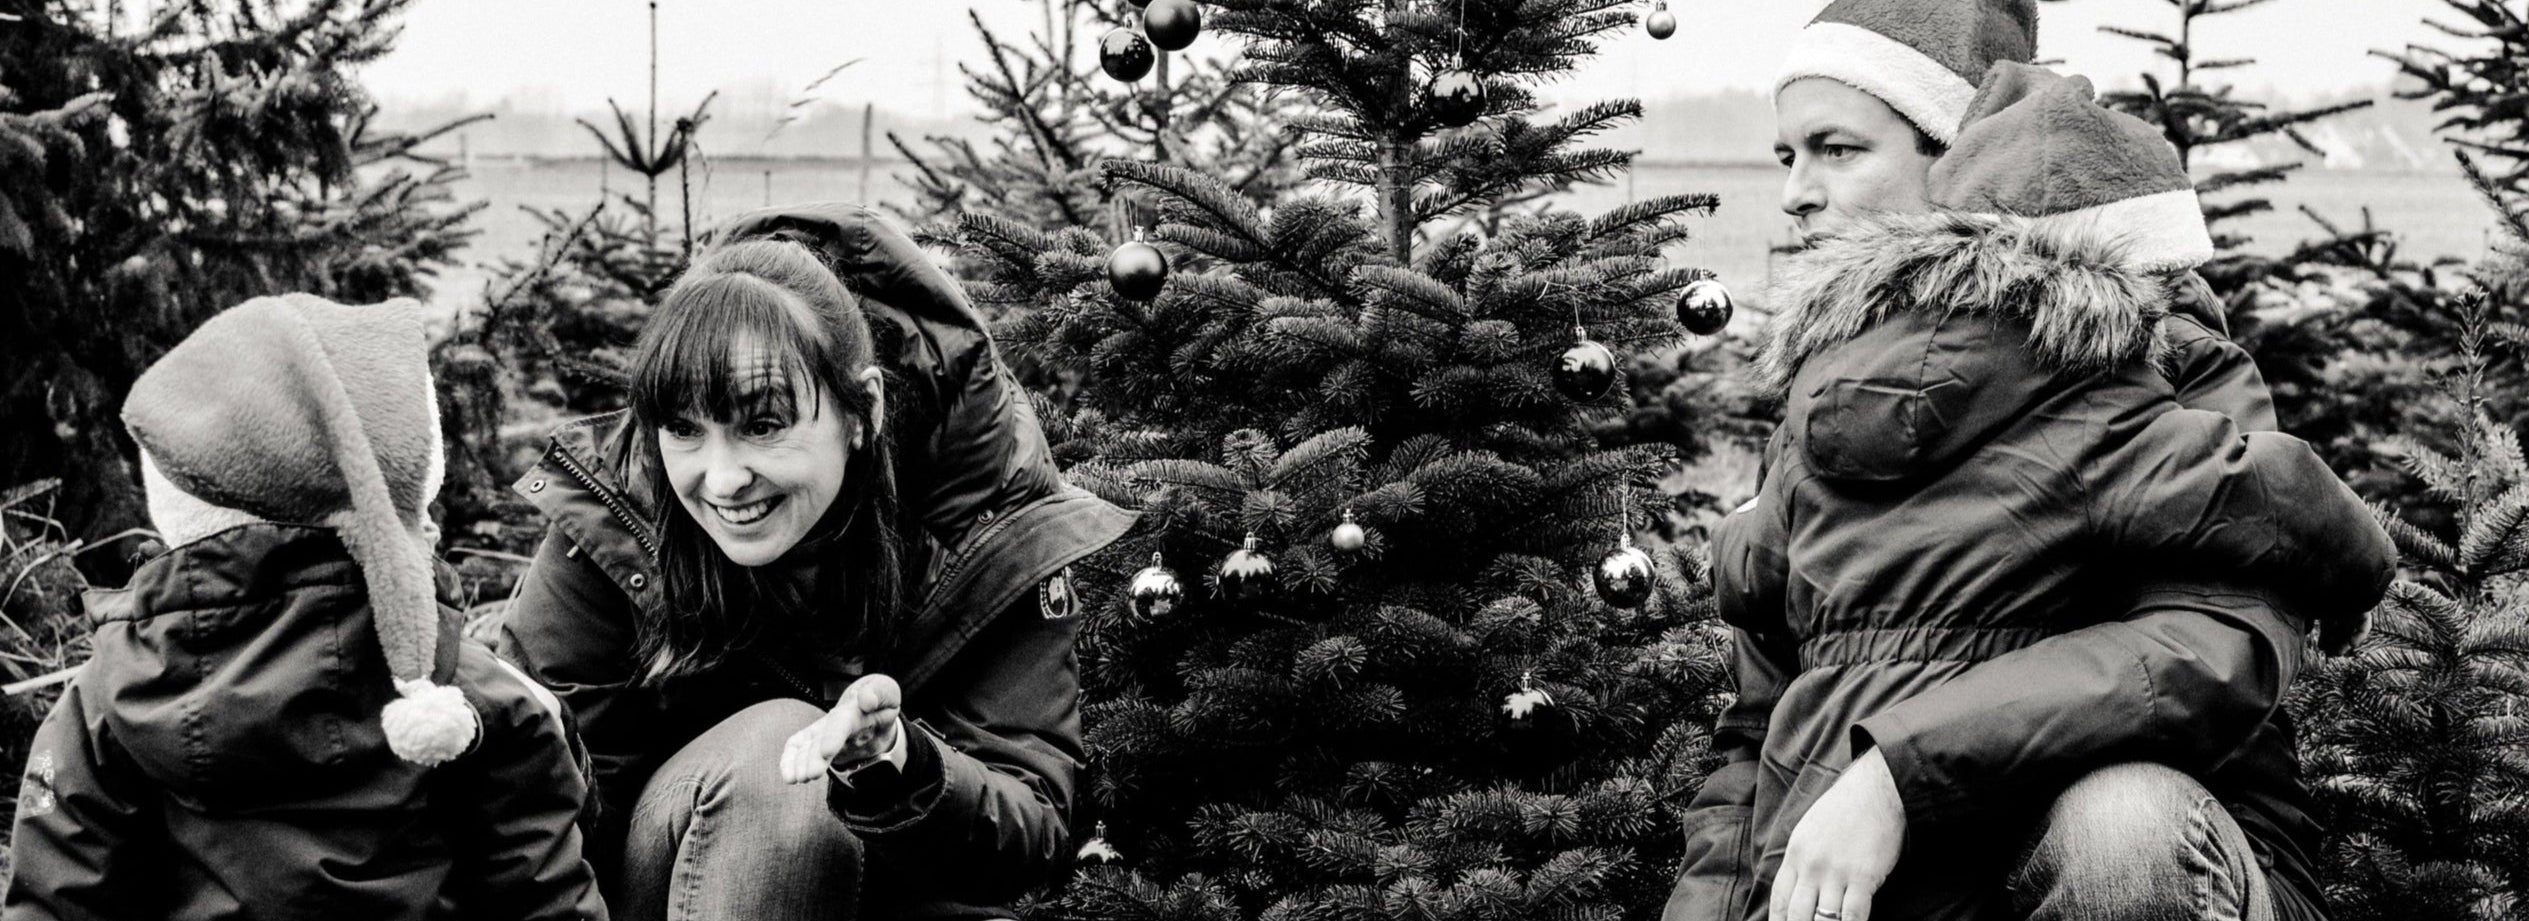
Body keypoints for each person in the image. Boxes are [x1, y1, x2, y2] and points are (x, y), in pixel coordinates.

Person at [1665, 2, 2369, 919]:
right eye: (1786, 155)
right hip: (1883, 894)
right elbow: (1756, 730)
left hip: (2151, 871)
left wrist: (1896, 771)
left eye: (1836, 149)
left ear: (1963, 158)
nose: (1796, 190)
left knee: (2122, 824)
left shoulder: (2161, 364)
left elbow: (2211, 647)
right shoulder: (1826, 409)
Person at [496, 204, 1136, 921]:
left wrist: (897, 761)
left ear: (861, 409)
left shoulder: (983, 528)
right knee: (781, 755)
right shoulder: (616, 522)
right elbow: (523, 802)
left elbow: (1028, 831)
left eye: (761, 425)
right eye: (683, 428)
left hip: (892, 898)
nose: (721, 477)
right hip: (639, 887)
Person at [4, 294, 606, 921]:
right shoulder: (466, 692)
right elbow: (545, 893)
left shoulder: (111, 695)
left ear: (180, 499)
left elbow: (55, 899)